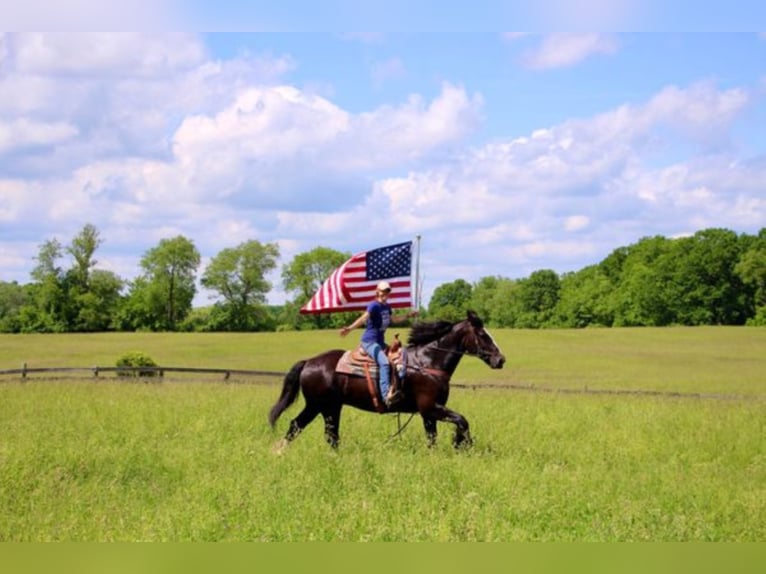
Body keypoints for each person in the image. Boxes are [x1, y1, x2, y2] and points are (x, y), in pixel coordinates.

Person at [340, 280, 418, 407]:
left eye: (387, 291)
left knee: (399, 357)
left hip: (380, 343)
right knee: (385, 363)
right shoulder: (374, 305)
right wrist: (350, 328)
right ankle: (386, 396)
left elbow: (395, 319)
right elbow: (364, 318)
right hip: (369, 342)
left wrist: (409, 315)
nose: (385, 294)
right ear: (377, 292)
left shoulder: (387, 307)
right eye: (383, 291)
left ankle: (398, 387)